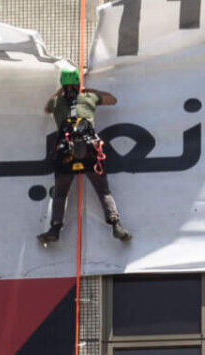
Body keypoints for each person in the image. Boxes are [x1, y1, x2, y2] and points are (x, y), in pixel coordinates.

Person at [38, 64, 131, 246]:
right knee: (103, 191)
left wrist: (60, 91)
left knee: (60, 194)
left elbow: (46, 109)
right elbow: (113, 99)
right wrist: (88, 89)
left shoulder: (56, 103)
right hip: (90, 153)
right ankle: (116, 225)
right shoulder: (89, 97)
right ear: (79, 83)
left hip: (66, 154)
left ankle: (55, 229)